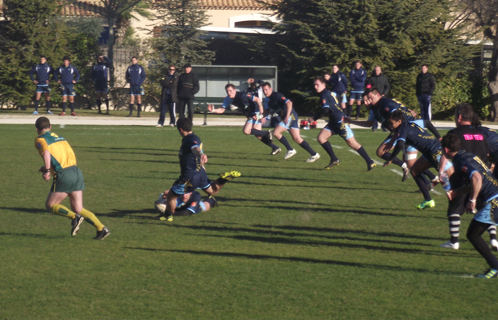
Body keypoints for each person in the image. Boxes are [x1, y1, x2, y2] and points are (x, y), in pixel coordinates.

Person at [34, 117, 110, 239]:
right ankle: (101, 228)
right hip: (75, 171)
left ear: (37, 129)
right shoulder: (60, 138)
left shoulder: (40, 139)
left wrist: (48, 171)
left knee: (50, 205)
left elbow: (47, 153)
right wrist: (48, 167)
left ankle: (74, 217)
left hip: (64, 174)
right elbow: (63, 155)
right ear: (50, 127)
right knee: (78, 207)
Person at [346, 88, 439, 187]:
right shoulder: (375, 109)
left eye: (368, 99)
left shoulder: (384, 104)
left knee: (382, 152)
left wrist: (396, 136)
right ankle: (431, 180)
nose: (366, 102)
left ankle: (428, 181)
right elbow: (370, 123)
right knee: (410, 162)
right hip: (401, 130)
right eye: (364, 100)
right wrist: (351, 121)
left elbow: (397, 113)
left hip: (405, 130)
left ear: (378, 95)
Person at [438, 103, 497, 250]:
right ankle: (494, 240)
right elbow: (488, 156)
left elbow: (446, 153)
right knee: (486, 209)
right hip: (483, 178)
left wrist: (441, 172)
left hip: (464, 175)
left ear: (459, 117)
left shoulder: (454, 133)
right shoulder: (481, 134)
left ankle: (454, 241)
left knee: (455, 206)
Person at [159, 118, 241, 222]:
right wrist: (202, 166)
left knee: (172, 195)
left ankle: (167, 216)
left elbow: (195, 149)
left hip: (189, 176)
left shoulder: (189, 139)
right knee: (212, 191)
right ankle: (223, 179)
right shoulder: (196, 137)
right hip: (199, 172)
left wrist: (201, 154)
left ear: (180, 129)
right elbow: (197, 149)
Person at [442, 134, 498, 278]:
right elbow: (474, 183)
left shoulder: (461, 161)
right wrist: (456, 193)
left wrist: (472, 200)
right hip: (495, 195)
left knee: (473, 235)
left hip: (492, 201)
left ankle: (495, 267)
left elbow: (477, 178)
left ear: (446, 149)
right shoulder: (465, 155)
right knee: (474, 234)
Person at [383, 110, 452, 209]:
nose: (390, 125)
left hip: (434, 151)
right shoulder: (409, 124)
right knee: (415, 171)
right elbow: (426, 123)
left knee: (447, 180)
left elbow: (400, 144)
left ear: (399, 121)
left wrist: (391, 158)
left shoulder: (402, 128)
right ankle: (428, 200)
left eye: (391, 123)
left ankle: (464, 200)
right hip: (429, 151)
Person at [310, 77, 375, 170]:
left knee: (352, 143)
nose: (315, 87)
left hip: (340, 121)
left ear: (323, 85)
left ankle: (370, 162)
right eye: (314, 85)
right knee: (321, 138)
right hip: (333, 122)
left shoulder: (324, 94)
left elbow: (325, 110)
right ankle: (334, 159)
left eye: (317, 85)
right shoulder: (327, 93)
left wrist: (314, 118)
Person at [207, 84, 278, 154]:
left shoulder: (242, 96)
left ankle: (268, 133)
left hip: (255, 112)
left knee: (246, 131)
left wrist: (261, 114)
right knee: (258, 135)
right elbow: (222, 110)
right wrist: (213, 110)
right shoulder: (228, 98)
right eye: (227, 91)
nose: (229, 93)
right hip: (251, 113)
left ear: (235, 90)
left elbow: (257, 99)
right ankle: (275, 147)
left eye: (230, 91)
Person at [261, 82, 320, 162]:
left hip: (290, 116)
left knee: (276, 133)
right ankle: (314, 154)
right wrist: (261, 117)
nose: (265, 92)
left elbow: (289, 103)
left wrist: (287, 116)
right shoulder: (267, 100)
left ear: (270, 89)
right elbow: (266, 111)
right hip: (290, 117)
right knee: (297, 139)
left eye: (266, 90)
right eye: (263, 90)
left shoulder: (277, 96)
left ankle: (290, 149)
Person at [366, 66, 390, 131]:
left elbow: (387, 86)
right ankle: (374, 126)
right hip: (374, 99)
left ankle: (384, 126)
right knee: (374, 112)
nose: (376, 71)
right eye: (375, 70)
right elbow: (368, 87)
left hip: (382, 98)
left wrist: (384, 94)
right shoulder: (371, 78)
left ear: (380, 70)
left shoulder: (384, 78)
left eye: (378, 70)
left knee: (383, 113)